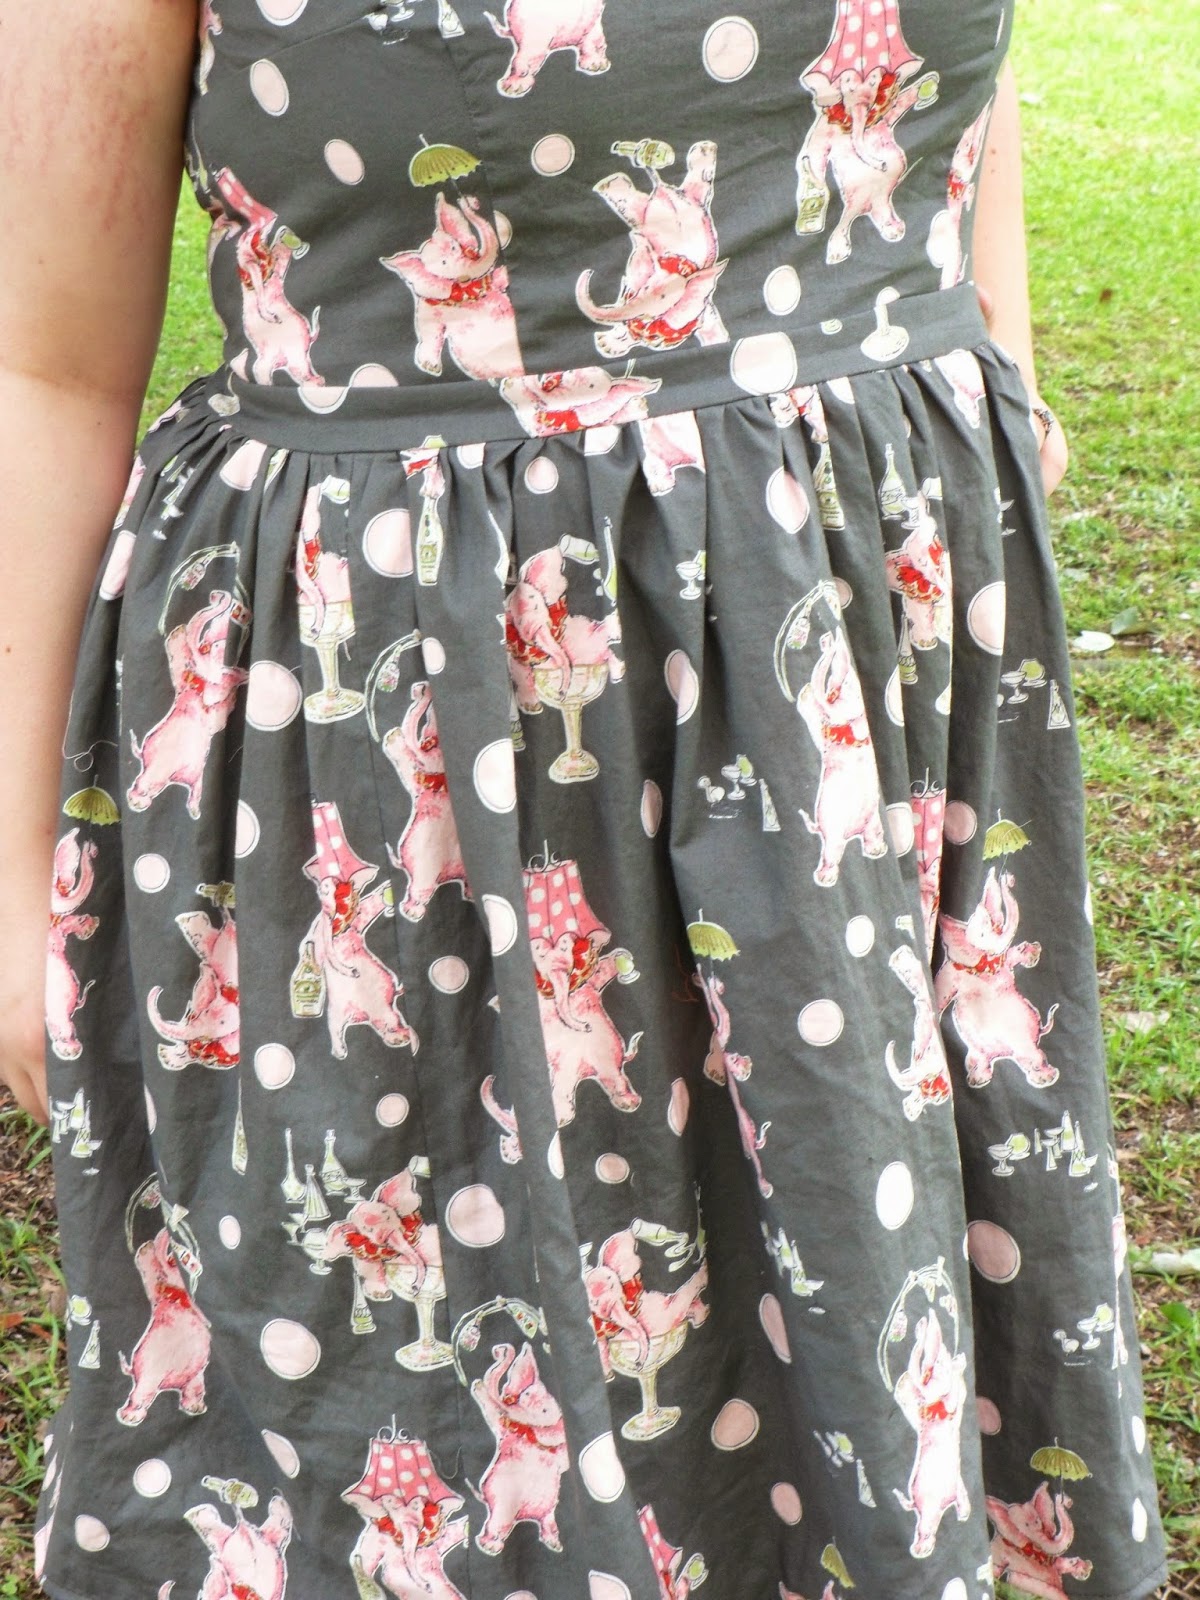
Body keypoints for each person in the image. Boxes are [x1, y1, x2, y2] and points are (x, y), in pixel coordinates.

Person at [0, 3, 1168, 1597]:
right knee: (431, 1415)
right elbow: (41, 364)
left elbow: (950, 115)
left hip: (855, 708)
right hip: (413, 761)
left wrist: (993, 424)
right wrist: (11, 872)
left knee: (846, 1318)